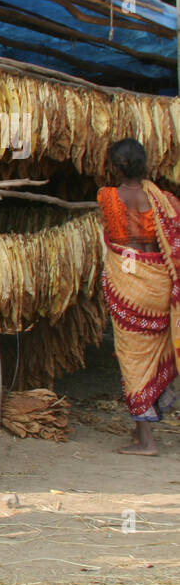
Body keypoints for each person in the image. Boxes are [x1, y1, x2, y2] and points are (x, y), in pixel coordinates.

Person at [97, 137, 180, 456]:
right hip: (159, 288)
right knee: (151, 356)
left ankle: (147, 442)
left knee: (133, 362)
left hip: (130, 287)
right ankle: (138, 432)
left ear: (115, 167)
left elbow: (111, 230)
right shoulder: (165, 200)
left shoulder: (107, 196)